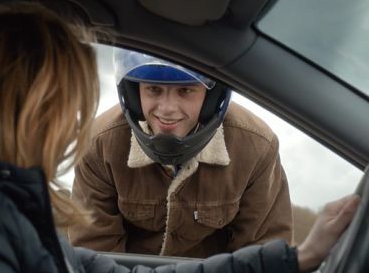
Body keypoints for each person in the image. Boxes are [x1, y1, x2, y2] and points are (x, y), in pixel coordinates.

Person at [0, 1, 360, 273]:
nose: (75, 124)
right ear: (36, 109)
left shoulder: (4, 208)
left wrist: (300, 258)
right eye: (70, 103)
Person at [69, 49, 293, 258]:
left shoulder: (257, 148)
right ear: (134, 93)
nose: (167, 108)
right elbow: (95, 253)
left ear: (211, 97)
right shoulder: (98, 145)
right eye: (153, 89)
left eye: (185, 90)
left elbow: (263, 254)